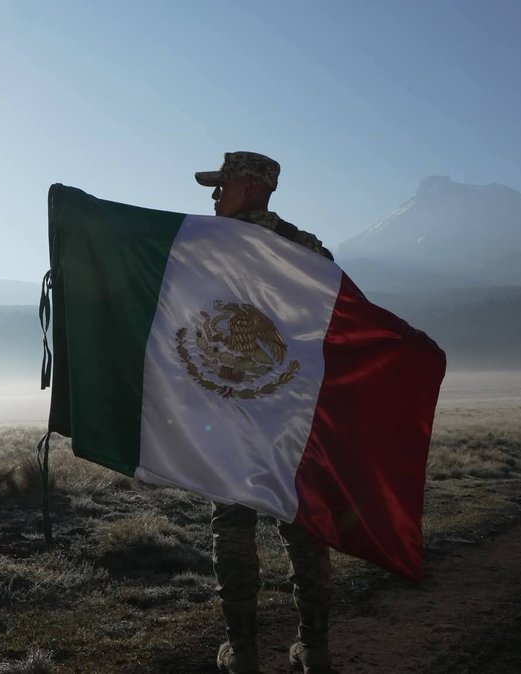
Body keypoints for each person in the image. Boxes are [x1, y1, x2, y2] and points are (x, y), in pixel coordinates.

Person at [193, 151, 336, 674]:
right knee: (304, 525)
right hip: (291, 414)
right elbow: (337, 315)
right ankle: (315, 648)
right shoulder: (306, 248)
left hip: (232, 409)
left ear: (251, 188)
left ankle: (244, 652)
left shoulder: (204, 247)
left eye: (222, 186)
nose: (214, 196)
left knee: (232, 524)